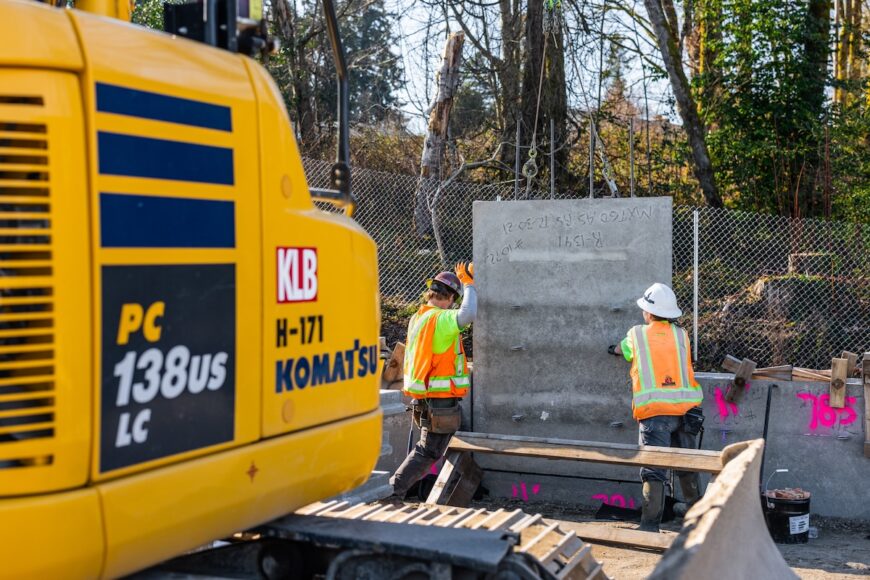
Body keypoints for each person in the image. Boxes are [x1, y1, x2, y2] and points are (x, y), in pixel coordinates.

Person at [608, 283, 705, 532]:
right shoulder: (681, 334)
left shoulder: (637, 334)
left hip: (655, 414)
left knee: (654, 470)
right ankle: (699, 521)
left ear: (648, 313)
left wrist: (613, 350)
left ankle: (650, 525)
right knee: (689, 467)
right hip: (687, 411)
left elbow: (623, 350)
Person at [389, 262, 476, 499]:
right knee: (428, 451)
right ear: (450, 298)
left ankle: (396, 490)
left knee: (434, 445)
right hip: (439, 400)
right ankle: (392, 491)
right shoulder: (441, 319)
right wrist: (469, 284)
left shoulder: (419, 317)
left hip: (425, 396)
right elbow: (468, 314)